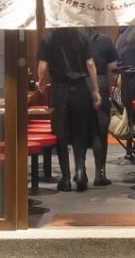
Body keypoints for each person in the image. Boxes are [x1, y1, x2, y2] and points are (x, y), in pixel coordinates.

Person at [36, 26, 102, 192]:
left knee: (61, 134)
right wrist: (95, 90)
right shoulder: (83, 36)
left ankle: (65, 179)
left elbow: (43, 67)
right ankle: (80, 172)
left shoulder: (48, 39)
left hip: (59, 89)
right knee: (79, 131)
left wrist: (41, 82)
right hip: (80, 89)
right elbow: (90, 64)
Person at [80, 26, 118, 186]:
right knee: (100, 131)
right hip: (100, 84)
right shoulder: (105, 40)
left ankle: (80, 172)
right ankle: (99, 174)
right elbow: (113, 66)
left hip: (79, 84)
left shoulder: (75, 40)